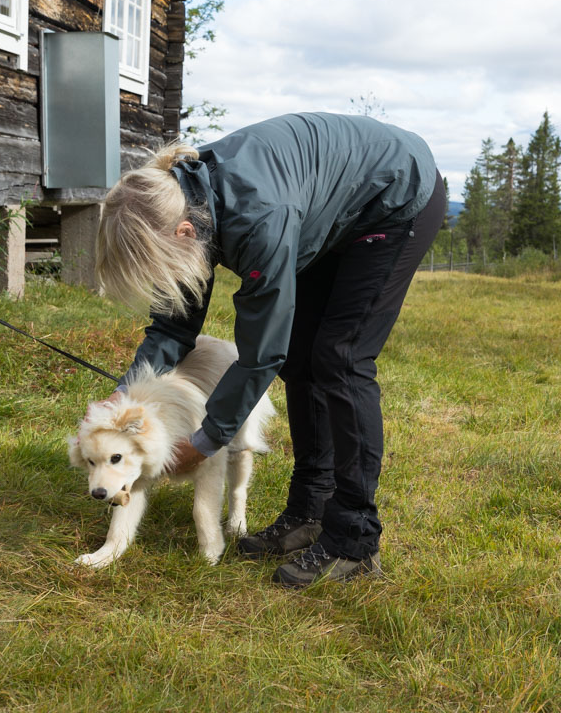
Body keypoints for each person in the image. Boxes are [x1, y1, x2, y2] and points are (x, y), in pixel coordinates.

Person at [95, 112, 447, 588]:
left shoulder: (257, 218)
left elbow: (261, 353)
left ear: (184, 234)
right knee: (304, 357)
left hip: (395, 196)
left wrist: (203, 442)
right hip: (329, 211)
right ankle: (310, 511)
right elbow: (173, 328)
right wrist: (124, 401)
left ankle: (354, 540)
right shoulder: (186, 203)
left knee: (340, 360)